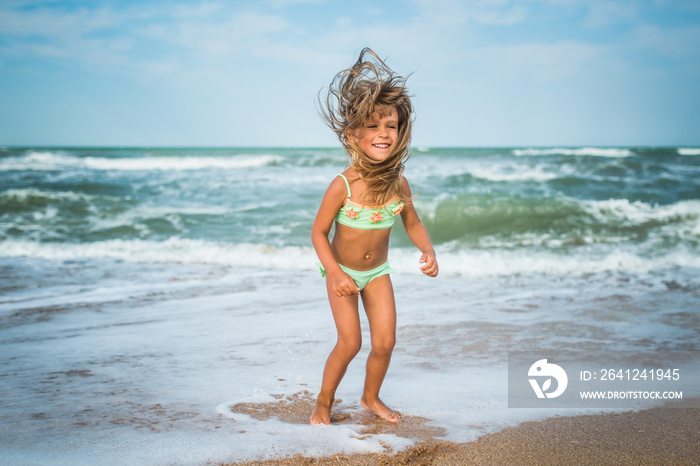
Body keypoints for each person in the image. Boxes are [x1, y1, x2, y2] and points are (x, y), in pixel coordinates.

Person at [310, 48, 438, 425]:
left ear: (400, 133)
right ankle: (323, 400)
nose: (383, 133)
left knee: (385, 342)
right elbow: (318, 233)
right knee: (350, 342)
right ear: (354, 133)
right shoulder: (342, 185)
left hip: (377, 272)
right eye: (374, 125)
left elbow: (412, 223)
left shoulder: (399, 184)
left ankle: (370, 397)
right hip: (342, 273)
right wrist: (335, 274)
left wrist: (428, 250)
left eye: (391, 126)